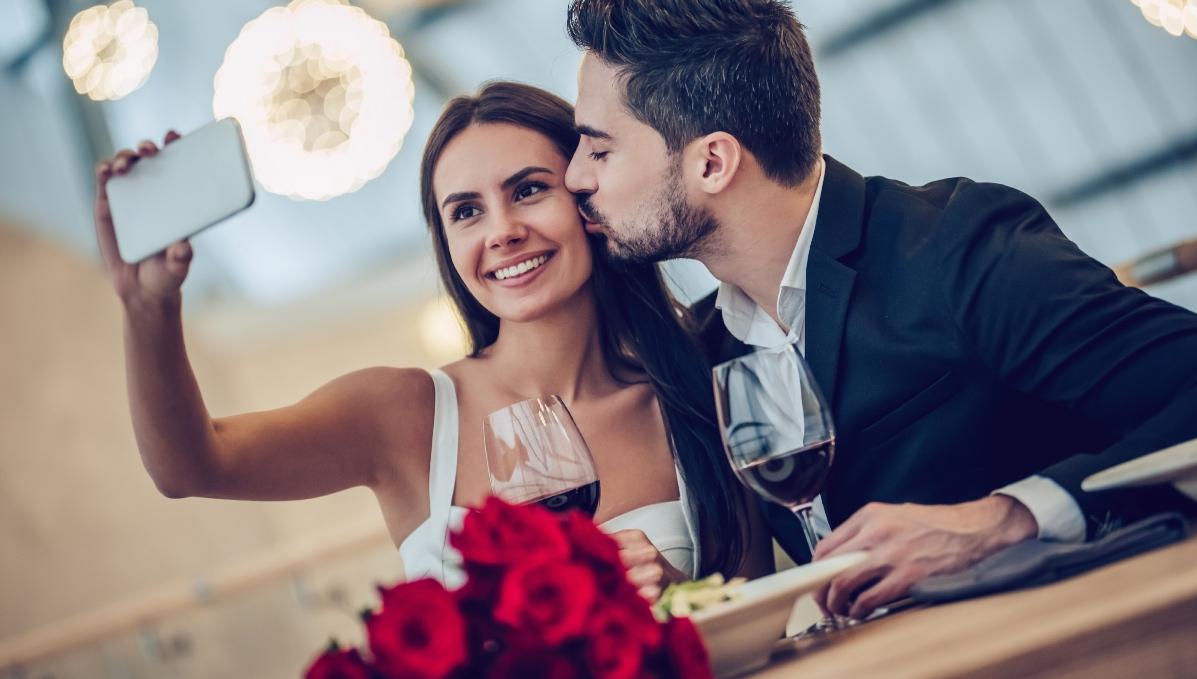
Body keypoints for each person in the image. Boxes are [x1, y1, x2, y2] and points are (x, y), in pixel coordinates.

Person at [562, 0, 1197, 619]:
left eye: (599, 149)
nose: (574, 179)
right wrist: (681, 599)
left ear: (712, 161)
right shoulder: (707, 350)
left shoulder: (959, 245)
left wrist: (1009, 516)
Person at [92, 81, 771, 599]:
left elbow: (751, 615)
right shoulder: (404, 413)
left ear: (586, 200)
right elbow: (189, 467)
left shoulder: (696, 387)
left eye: (530, 190)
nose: (501, 230)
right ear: (449, 244)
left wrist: (676, 589)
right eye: (467, 211)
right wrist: (147, 304)